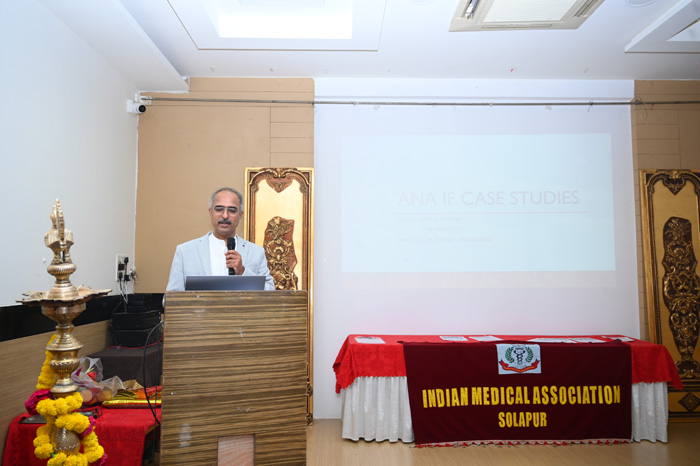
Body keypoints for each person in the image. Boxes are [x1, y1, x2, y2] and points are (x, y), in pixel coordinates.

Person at [166, 187, 275, 291]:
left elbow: (270, 292)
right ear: (210, 212)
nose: (225, 216)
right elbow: (171, 298)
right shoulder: (185, 251)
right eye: (219, 209)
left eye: (232, 210)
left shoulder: (256, 252)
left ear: (240, 215)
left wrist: (242, 272)